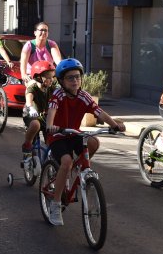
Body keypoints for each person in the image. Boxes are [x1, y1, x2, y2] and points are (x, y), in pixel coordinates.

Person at [45, 58, 126, 226]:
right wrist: (51, 126)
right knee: (66, 162)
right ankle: (55, 204)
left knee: (94, 142)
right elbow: (51, 112)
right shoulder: (58, 95)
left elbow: (99, 112)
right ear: (61, 81)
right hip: (58, 135)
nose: (75, 81)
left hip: (74, 133)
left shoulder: (83, 96)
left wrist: (115, 126)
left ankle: (80, 169)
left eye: (77, 77)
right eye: (70, 78)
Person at [21, 60, 57, 167]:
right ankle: (27, 145)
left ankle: (50, 159)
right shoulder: (33, 87)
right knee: (35, 125)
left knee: (53, 134)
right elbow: (29, 98)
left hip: (45, 116)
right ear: (38, 77)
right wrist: (30, 107)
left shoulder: (51, 88)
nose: (51, 80)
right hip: (31, 114)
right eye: (48, 77)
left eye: (52, 77)